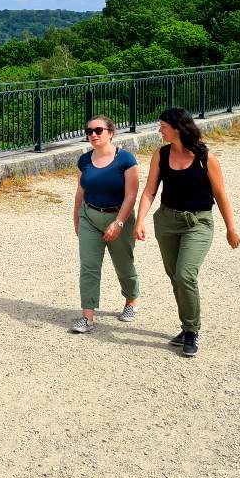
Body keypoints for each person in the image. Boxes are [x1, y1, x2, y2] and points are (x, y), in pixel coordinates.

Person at [134, 107, 240, 357]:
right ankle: (186, 327)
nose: (159, 129)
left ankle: (192, 330)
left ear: (177, 127)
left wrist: (230, 228)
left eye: (162, 125)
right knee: (175, 278)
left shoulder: (206, 158)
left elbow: (220, 194)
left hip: (198, 223)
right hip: (167, 222)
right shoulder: (160, 154)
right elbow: (150, 191)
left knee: (185, 275)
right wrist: (140, 221)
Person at [70, 115, 140, 334]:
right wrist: (76, 219)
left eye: (98, 130)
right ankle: (87, 317)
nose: (93, 135)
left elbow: (131, 195)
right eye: (89, 131)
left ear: (111, 133)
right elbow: (80, 191)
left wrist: (118, 223)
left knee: (123, 264)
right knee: (89, 267)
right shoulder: (84, 160)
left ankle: (131, 301)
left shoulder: (126, 160)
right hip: (89, 216)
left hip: (119, 217)